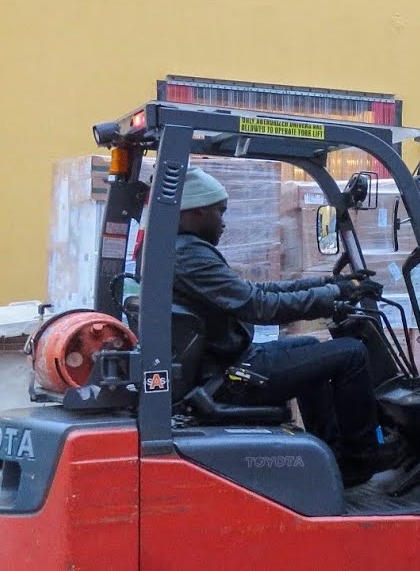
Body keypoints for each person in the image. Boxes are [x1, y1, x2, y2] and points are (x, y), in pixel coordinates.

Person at [170, 165, 396, 487]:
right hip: (229, 377)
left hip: (223, 367)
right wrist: (333, 294)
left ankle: (331, 454)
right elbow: (259, 306)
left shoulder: (185, 252)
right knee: (352, 353)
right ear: (196, 212)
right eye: (219, 213)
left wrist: (331, 285)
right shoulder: (190, 257)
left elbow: (255, 292)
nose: (223, 221)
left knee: (309, 349)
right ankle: (362, 461)